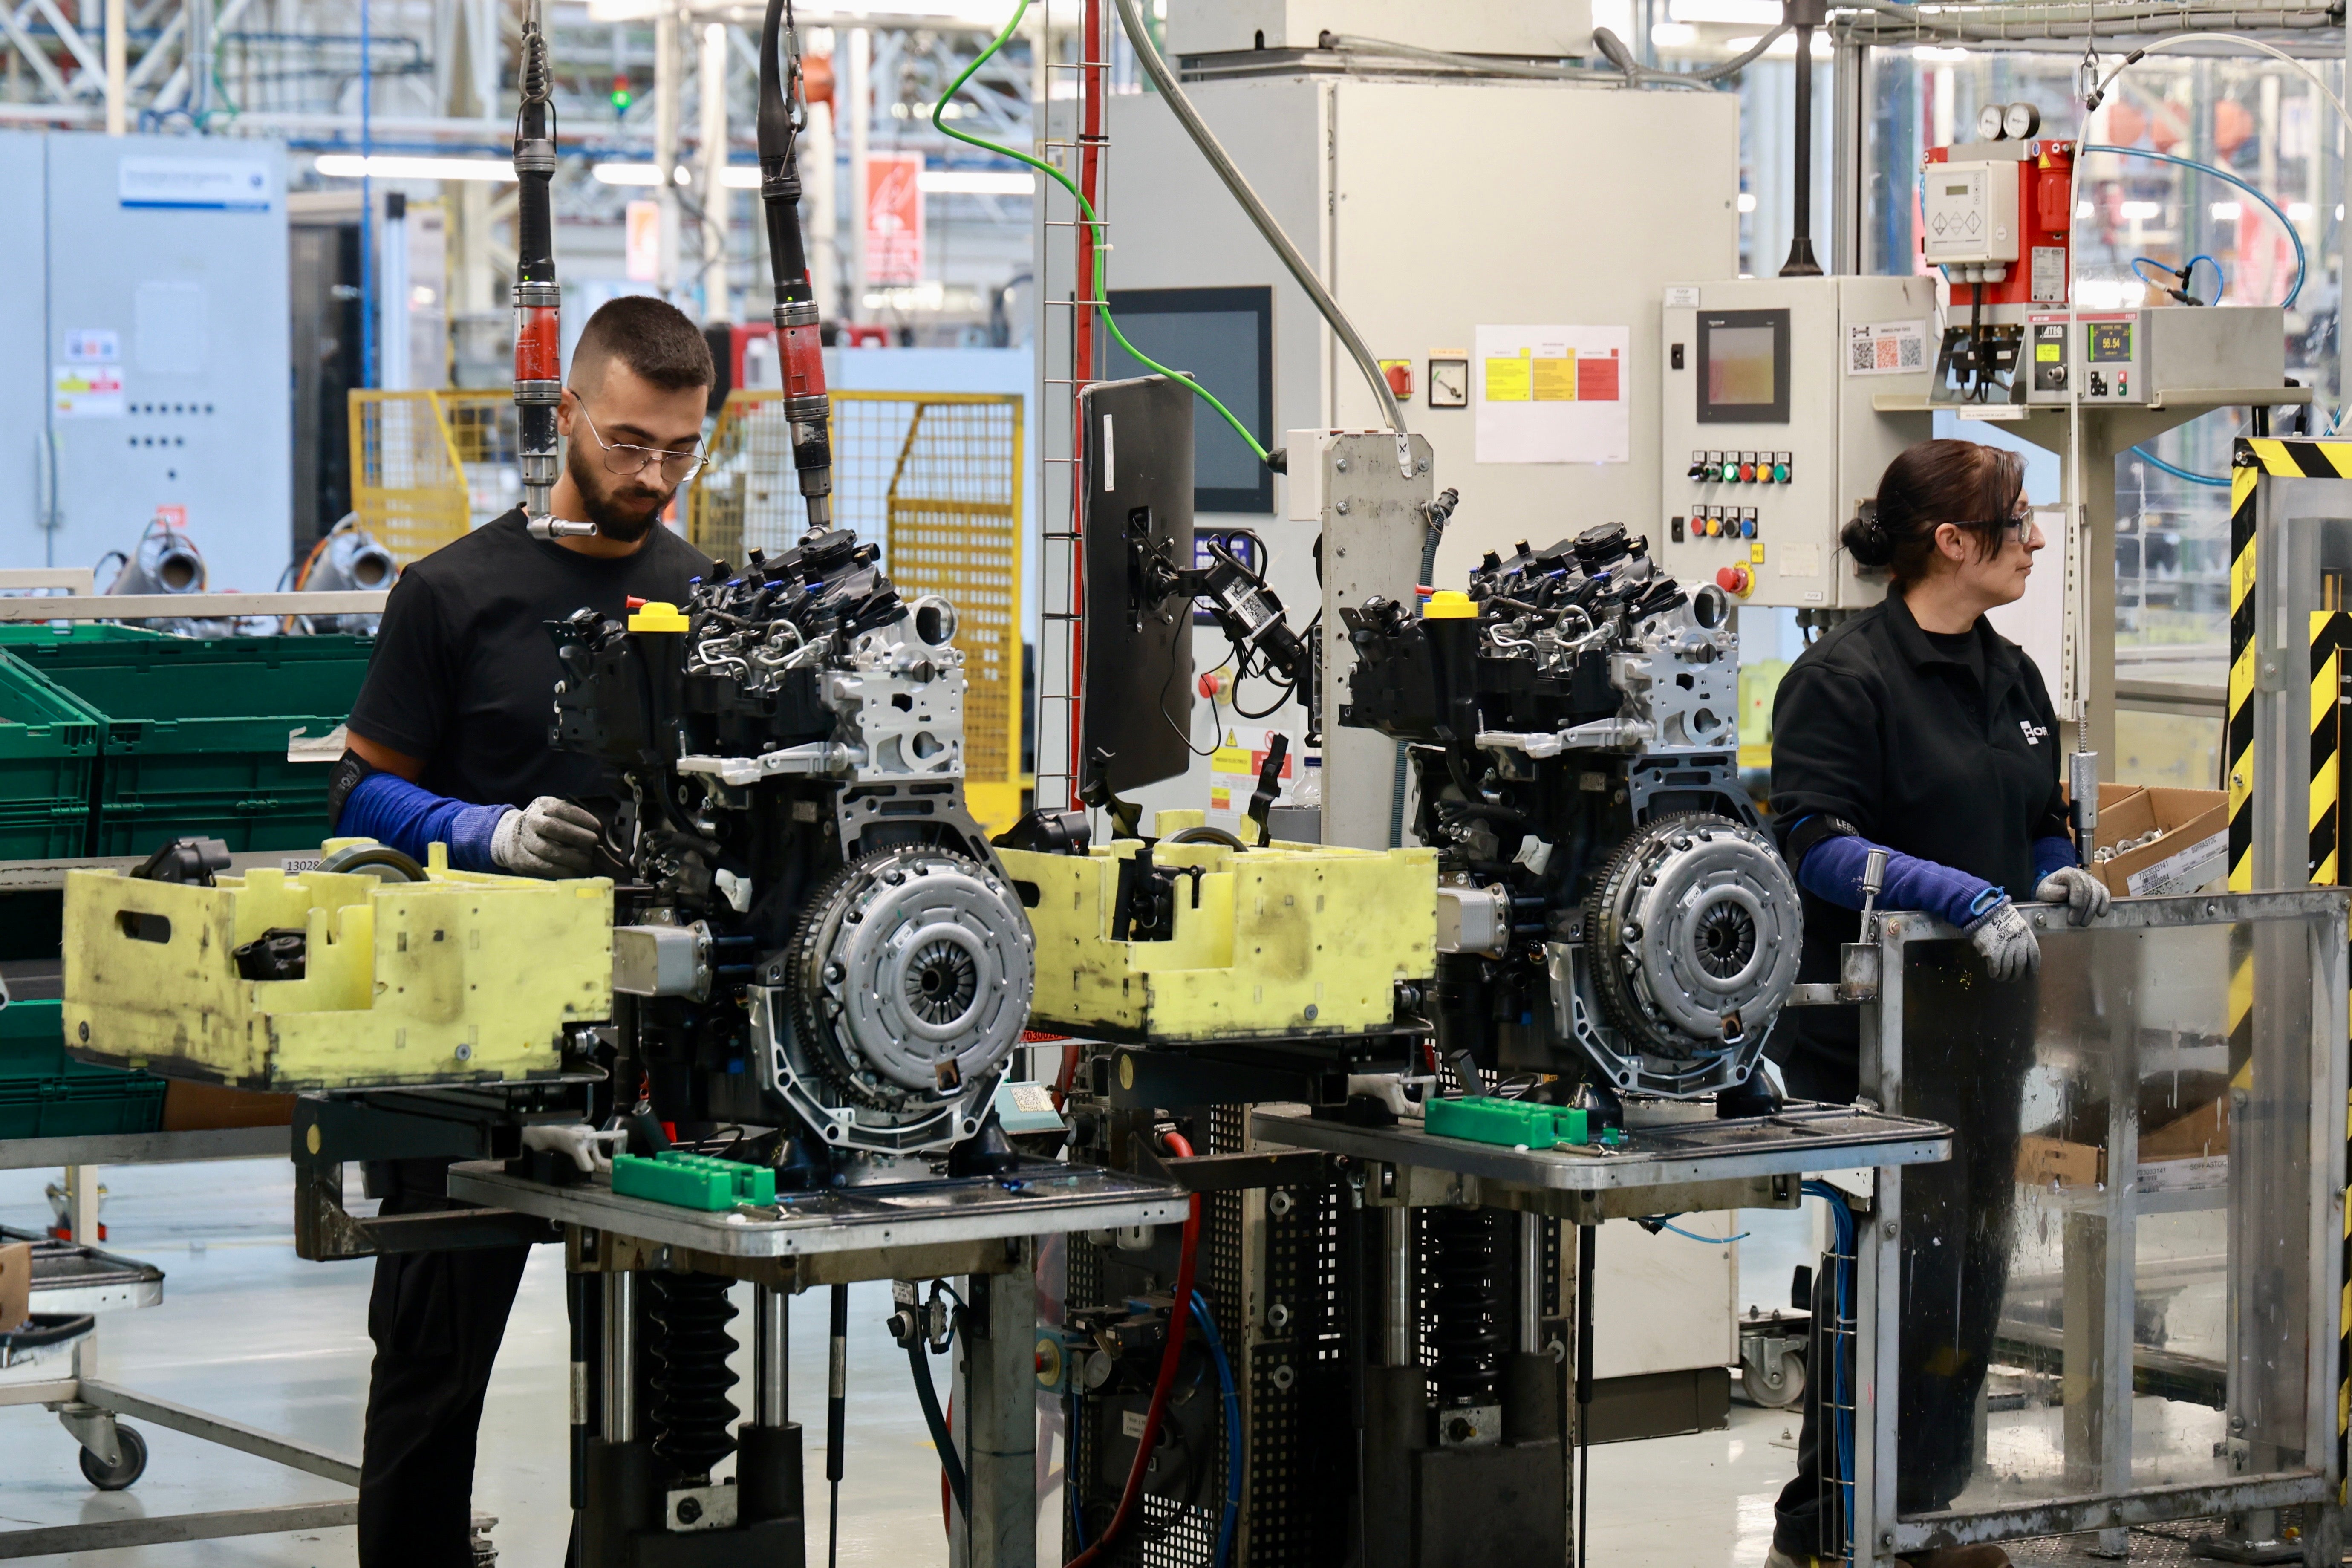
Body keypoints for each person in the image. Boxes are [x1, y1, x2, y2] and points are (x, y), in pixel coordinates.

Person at [328, 295, 721, 1567]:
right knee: (433, 1371)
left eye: (679, 449)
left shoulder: (705, 597)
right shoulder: (454, 592)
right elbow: (359, 793)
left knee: (667, 1388)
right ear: (566, 417)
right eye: (625, 444)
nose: (651, 475)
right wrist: (491, 833)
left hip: (658, 1047)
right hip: (470, 1051)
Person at [1761, 439, 2110, 1568]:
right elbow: (1813, 843)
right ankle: (1833, 1522)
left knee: (1969, 1276)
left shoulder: (2009, 674)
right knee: (1888, 1276)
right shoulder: (1844, 679)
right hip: (1872, 1035)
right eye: (2018, 525)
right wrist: (1948, 892)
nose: (2038, 543)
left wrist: (2055, 865)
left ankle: (1923, 1514)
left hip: (1981, 1030)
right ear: (1953, 543)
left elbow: (2037, 812)